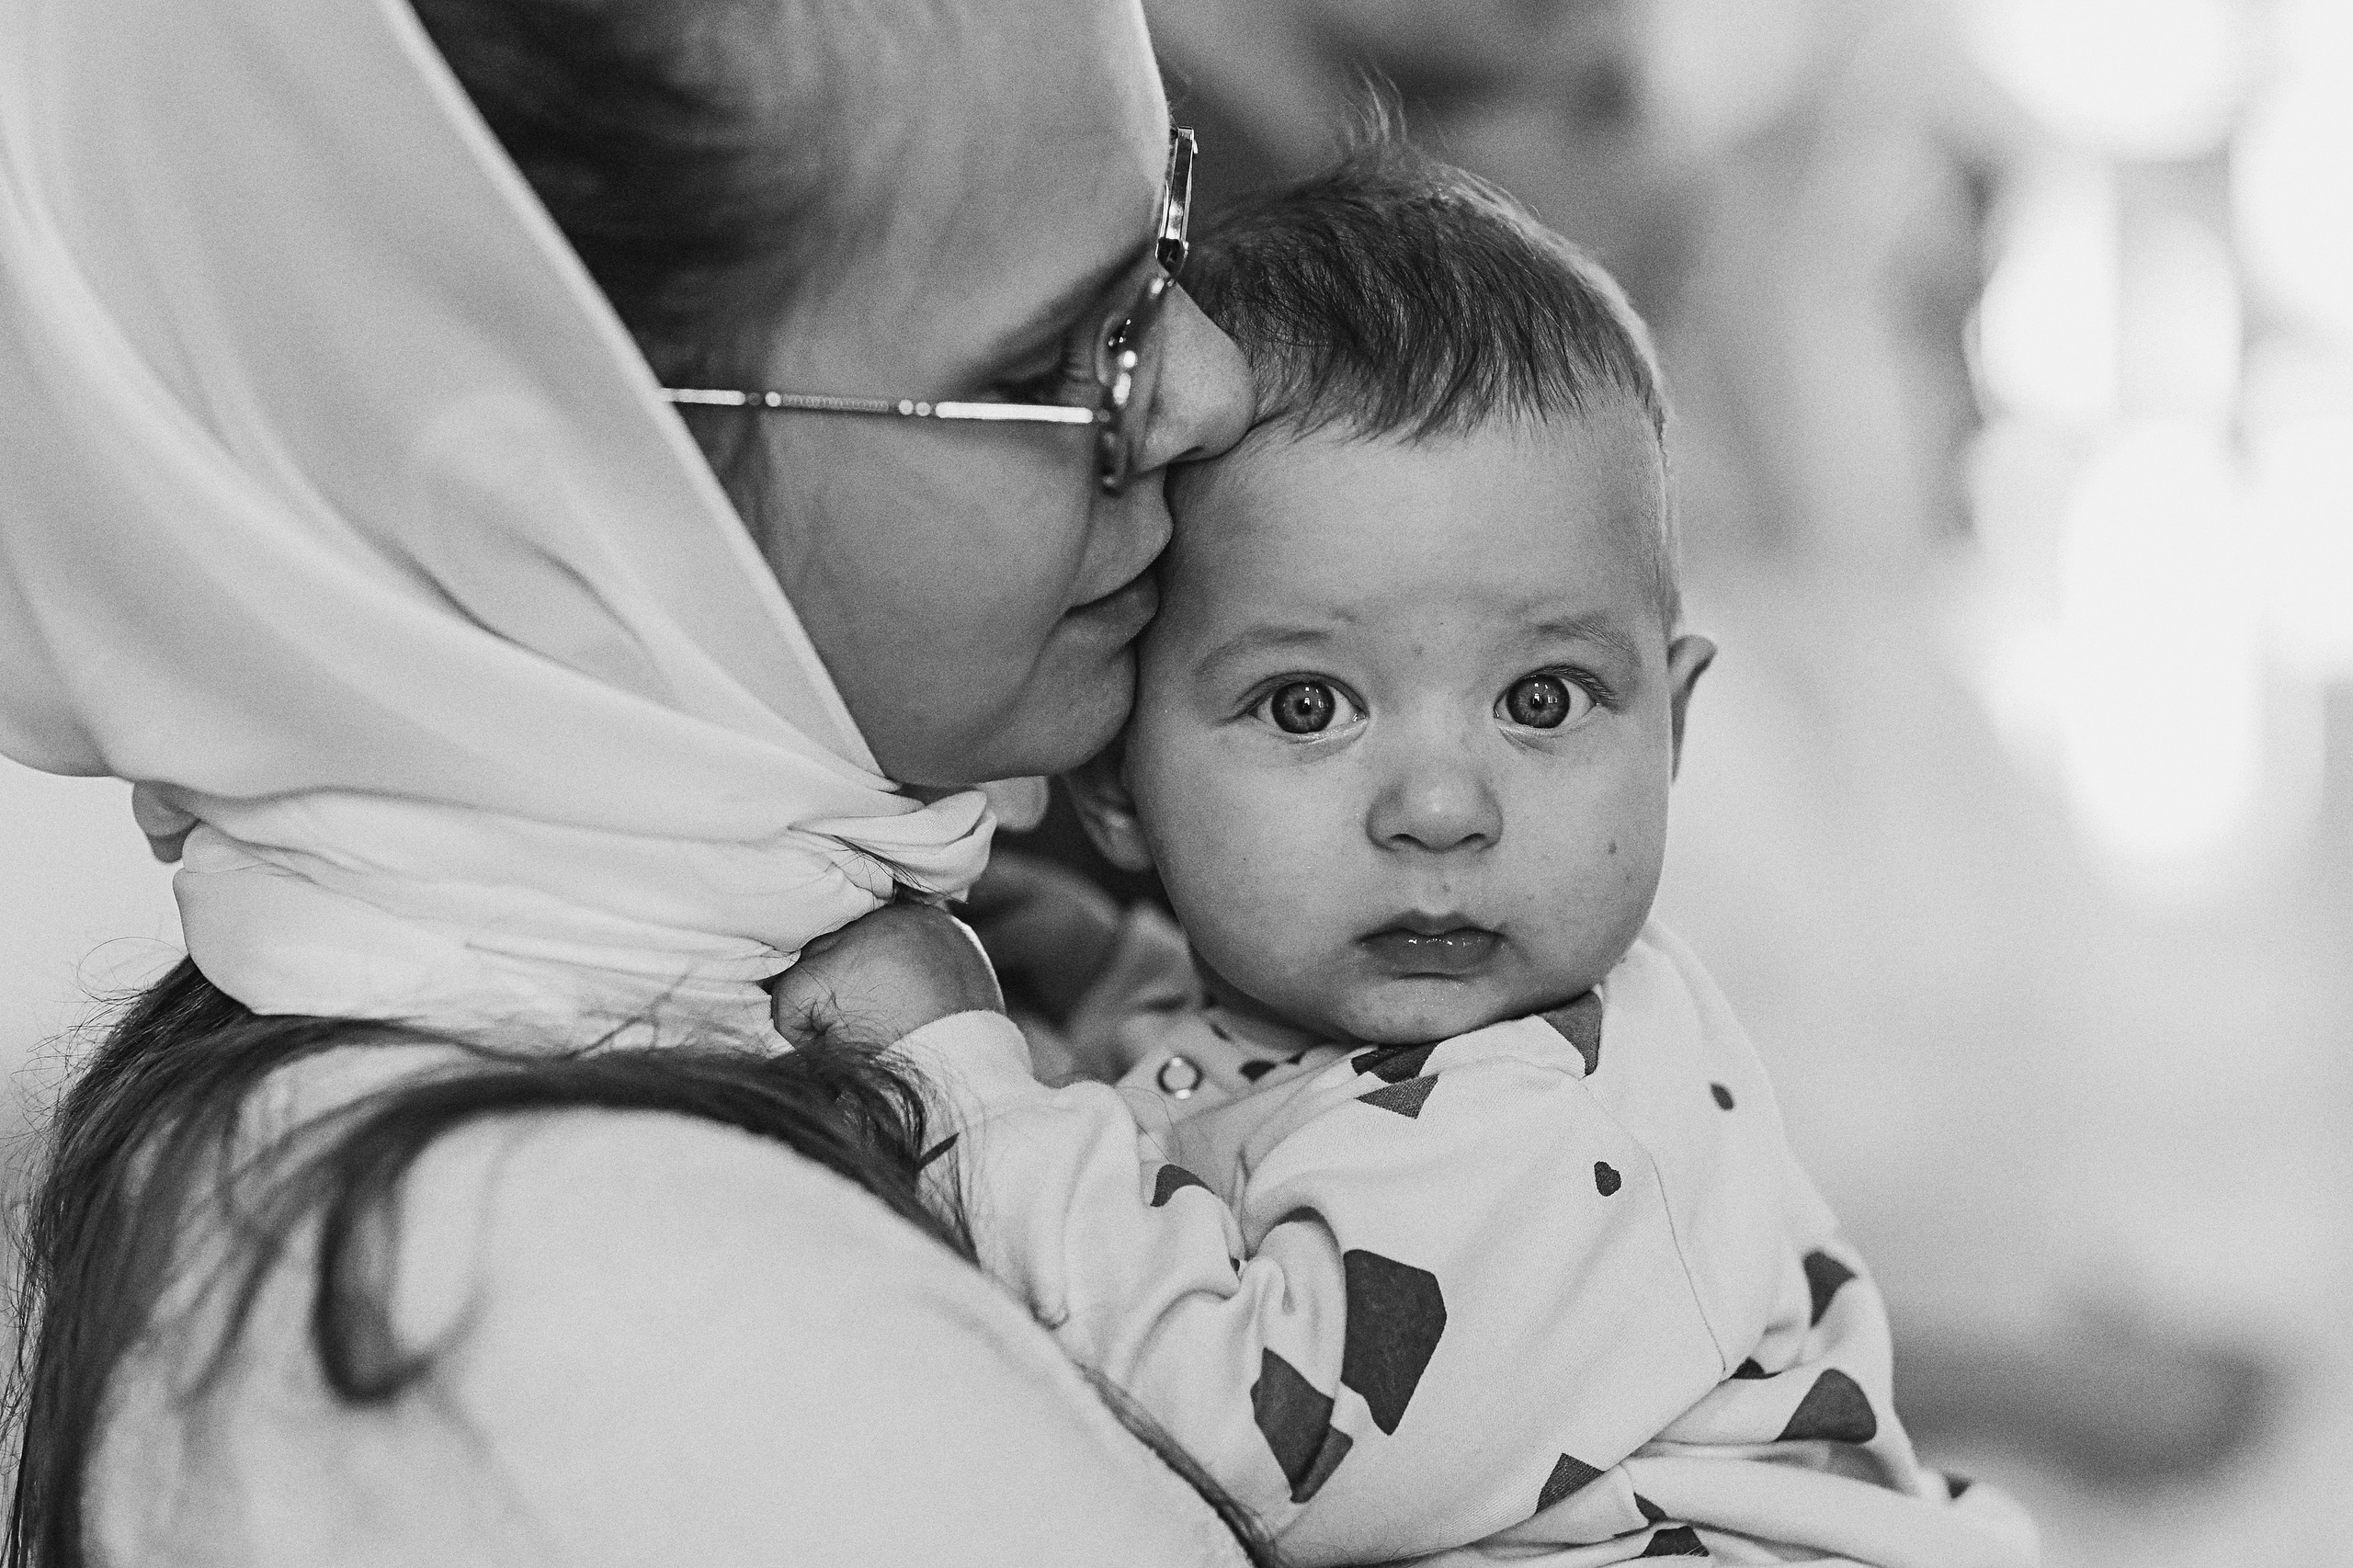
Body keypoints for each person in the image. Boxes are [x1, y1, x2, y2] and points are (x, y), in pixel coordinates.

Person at [0, 0, 1264, 1562]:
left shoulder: (448, 1068)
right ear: (545, 499)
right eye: (1060, 354)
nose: (1208, 385)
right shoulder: (587, 1316)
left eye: (1169, 240)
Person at [873, 153, 2041, 1564]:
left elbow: (1251, 1444)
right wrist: (1087, 979)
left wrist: (958, 1075)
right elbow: (1260, 1114)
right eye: (1309, 705)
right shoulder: (1361, 1030)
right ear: (1119, 782)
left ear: (1670, 726)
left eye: (1541, 700)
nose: (1439, 806)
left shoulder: (1564, 1129)